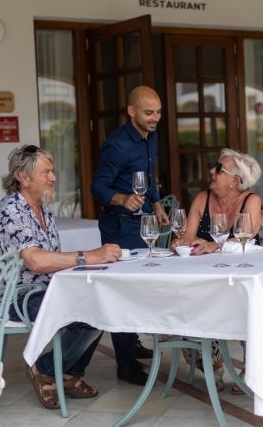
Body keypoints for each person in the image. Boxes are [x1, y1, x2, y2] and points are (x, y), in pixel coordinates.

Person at [0, 144, 121, 410]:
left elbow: (51, 261)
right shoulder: (12, 211)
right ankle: (45, 369)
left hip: (36, 289)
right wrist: (90, 256)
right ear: (24, 177)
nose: (53, 177)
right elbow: (35, 260)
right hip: (8, 297)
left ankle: (67, 374)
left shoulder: (43, 211)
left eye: (52, 171)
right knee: (89, 310)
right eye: (46, 172)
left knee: (100, 301)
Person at [90, 85, 170, 385]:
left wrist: (158, 205)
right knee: (122, 291)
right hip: (119, 225)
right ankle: (124, 363)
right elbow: (97, 186)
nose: (155, 118)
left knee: (139, 287)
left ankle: (132, 343)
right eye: (149, 112)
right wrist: (122, 199)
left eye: (159, 112)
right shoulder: (116, 145)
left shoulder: (152, 136)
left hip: (143, 222)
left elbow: (149, 176)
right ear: (131, 111)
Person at [170, 147, 262, 393]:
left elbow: (245, 237)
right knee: (186, 302)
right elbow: (188, 235)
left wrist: (213, 245)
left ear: (235, 180)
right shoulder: (202, 199)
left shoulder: (251, 201)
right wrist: (182, 243)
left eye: (218, 168)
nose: (211, 171)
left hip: (239, 279)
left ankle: (254, 366)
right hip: (204, 280)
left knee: (249, 308)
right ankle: (210, 363)